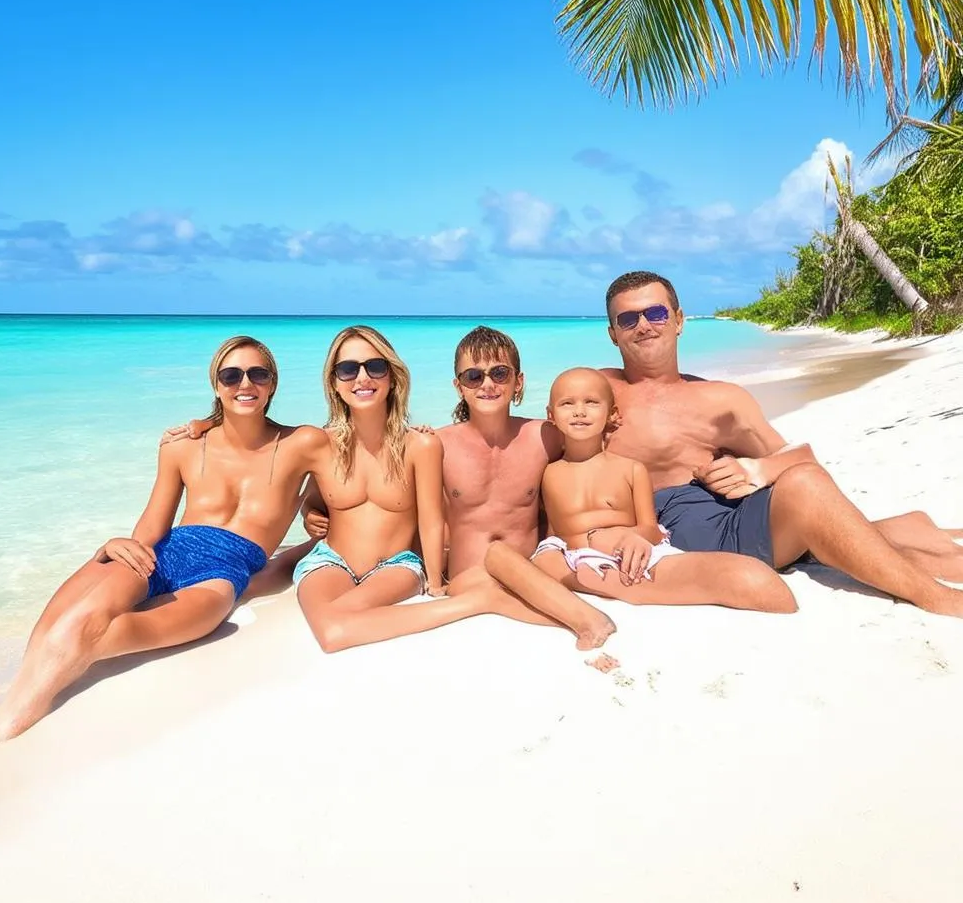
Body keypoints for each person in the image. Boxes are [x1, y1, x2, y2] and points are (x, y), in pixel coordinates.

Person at [0, 335, 317, 743]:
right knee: (58, 627)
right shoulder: (183, 447)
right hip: (164, 553)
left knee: (89, 635)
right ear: (217, 385)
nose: (244, 384)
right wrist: (119, 544)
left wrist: (416, 437)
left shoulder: (303, 443)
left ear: (272, 384)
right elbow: (154, 526)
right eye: (231, 376)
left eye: (257, 374)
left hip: (221, 576)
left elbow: (366, 441)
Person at [599, 270, 963, 616]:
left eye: (656, 313)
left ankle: (933, 579)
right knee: (837, 516)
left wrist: (755, 468)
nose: (644, 326)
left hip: (738, 517)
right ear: (613, 333)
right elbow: (545, 442)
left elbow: (802, 458)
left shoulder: (720, 400)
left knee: (809, 486)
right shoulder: (595, 393)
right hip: (685, 528)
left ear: (679, 320)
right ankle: (927, 574)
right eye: (628, 319)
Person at [173, 325, 521, 653]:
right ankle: (476, 602)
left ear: (393, 376)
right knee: (329, 629)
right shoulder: (319, 444)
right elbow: (262, 444)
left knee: (336, 628)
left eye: (375, 367)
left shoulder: (421, 446)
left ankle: (475, 602)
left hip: (396, 565)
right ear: (334, 382)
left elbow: (431, 520)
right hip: (329, 560)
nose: (363, 378)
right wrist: (206, 424)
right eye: (348, 370)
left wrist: (434, 582)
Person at [305, 325, 618, 648]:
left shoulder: (545, 437)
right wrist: (312, 509)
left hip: (531, 571)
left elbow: (591, 464)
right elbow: (381, 490)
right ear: (458, 386)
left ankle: (585, 618)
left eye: (499, 373)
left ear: (518, 382)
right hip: (467, 576)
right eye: (473, 376)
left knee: (505, 557)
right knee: (494, 558)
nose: (487, 384)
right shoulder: (436, 443)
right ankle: (584, 618)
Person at [484, 368, 797, 620]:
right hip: (567, 556)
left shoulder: (630, 469)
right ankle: (612, 586)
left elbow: (649, 526)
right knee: (531, 561)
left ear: (613, 414)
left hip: (626, 550)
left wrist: (635, 537)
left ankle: (617, 586)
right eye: (568, 404)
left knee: (749, 579)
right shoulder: (546, 469)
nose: (579, 412)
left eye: (591, 402)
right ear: (551, 414)